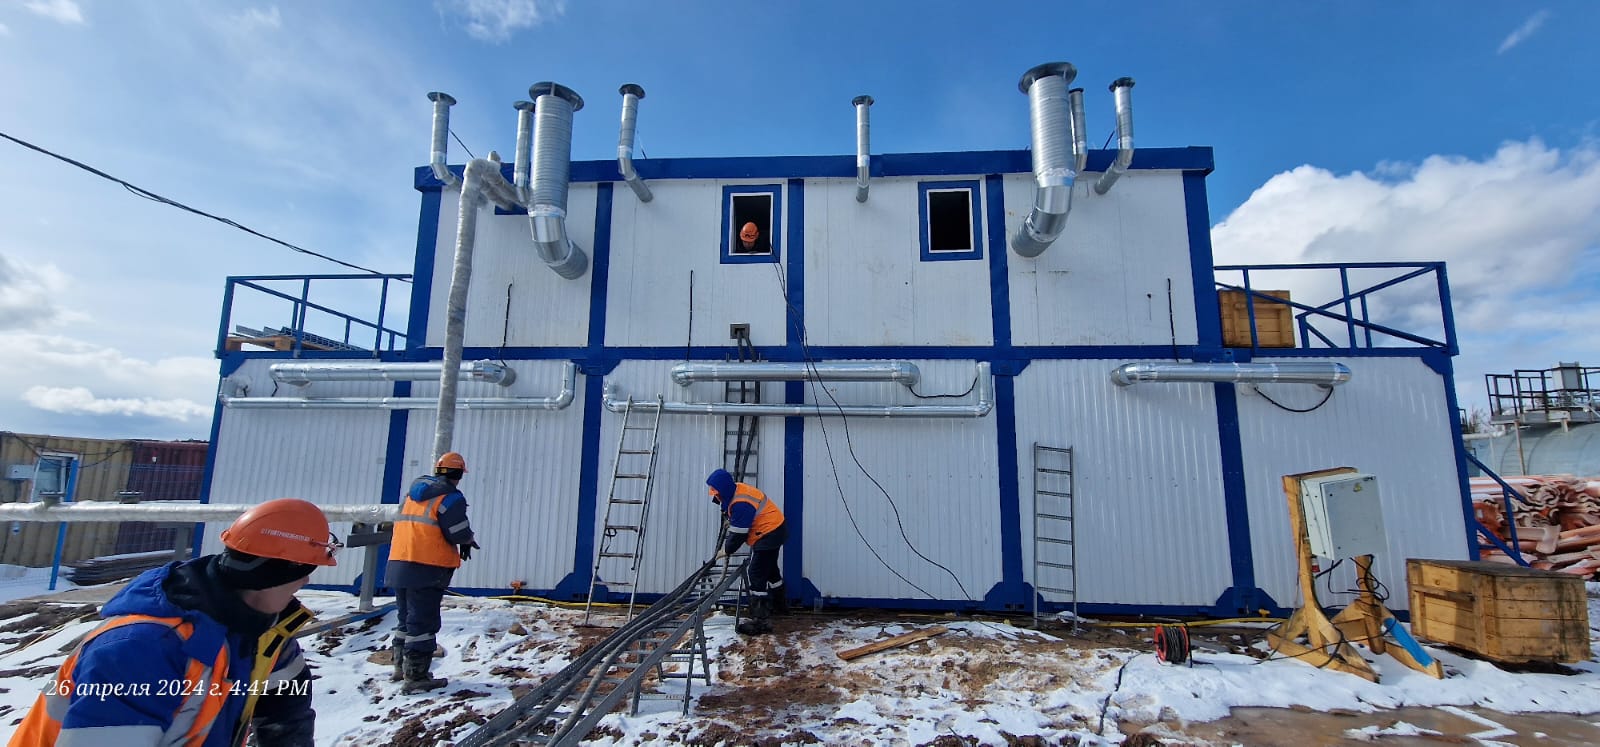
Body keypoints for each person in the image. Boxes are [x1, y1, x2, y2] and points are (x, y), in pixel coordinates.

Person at [10, 497, 338, 747]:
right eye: (303, 575)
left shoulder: (264, 634)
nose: (305, 584)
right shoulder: (141, 649)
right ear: (276, 575)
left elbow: (287, 711)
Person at [386, 451, 478, 693]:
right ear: (459, 474)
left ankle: (400, 668)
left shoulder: (411, 495)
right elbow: (457, 531)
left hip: (399, 562)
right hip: (427, 566)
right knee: (423, 621)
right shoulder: (450, 498)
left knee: (405, 618)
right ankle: (416, 677)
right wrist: (468, 540)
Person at [707, 468, 788, 635]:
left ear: (723, 490)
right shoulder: (736, 491)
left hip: (768, 533)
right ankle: (780, 606)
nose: (715, 496)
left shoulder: (740, 503)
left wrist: (726, 550)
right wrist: (732, 521)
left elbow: (739, 534)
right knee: (770, 570)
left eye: (716, 492)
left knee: (756, 573)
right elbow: (740, 519)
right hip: (775, 528)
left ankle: (761, 621)